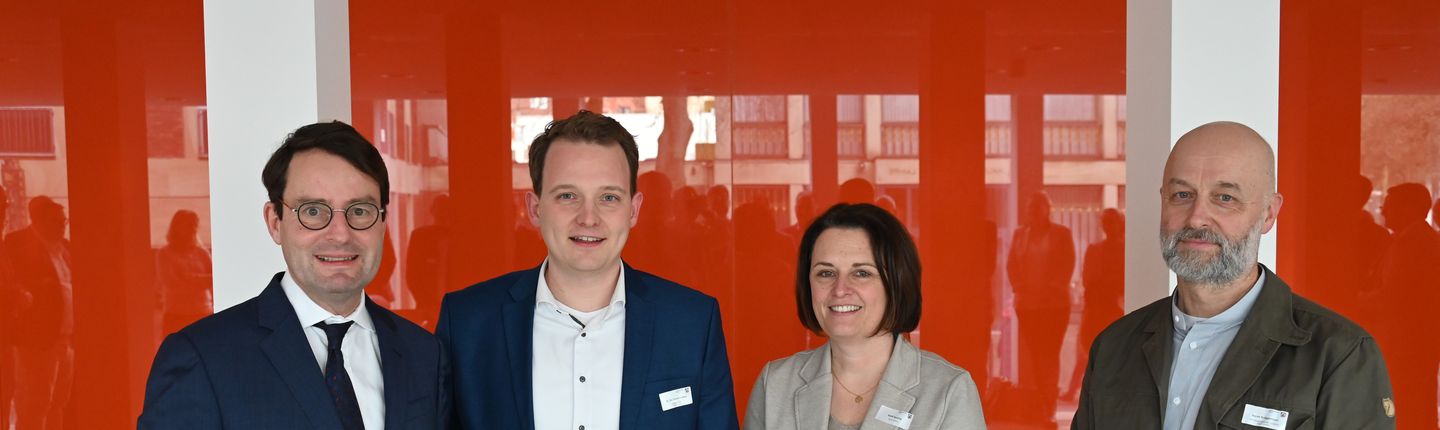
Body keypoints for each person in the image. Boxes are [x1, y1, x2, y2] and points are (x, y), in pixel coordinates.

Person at [1073, 121, 1394, 429]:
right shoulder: (1114, 347)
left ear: (1269, 213)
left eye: (1225, 198)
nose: (1197, 217)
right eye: (1182, 195)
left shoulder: (1338, 355)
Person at [437, 110, 738, 430]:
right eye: (568, 196)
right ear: (535, 209)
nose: (588, 218)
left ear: (633, 210)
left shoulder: (692, 323)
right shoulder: (468, 323)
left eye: (609, 197)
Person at [139, 121, 449, 429]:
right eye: (313, 211)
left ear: (382, 223)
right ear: (275, 222)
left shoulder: (423, 353)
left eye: (359, 210)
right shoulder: (202, 358)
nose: (340, 235)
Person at [743, 203, 985, 430]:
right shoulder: (774, 384)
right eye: (826, 273)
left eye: (861, 273)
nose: (840, 289)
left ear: (897, 283)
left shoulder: (949, 391)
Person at [1005, 191, 1074, 425]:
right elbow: (1012, 264)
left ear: (1047, 209)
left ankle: (1049, 403)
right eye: (1029, 208)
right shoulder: (1020, 235)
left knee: (1049, 353)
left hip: (1055, 304)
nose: (1031, 212)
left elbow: (1068, 262)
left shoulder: (1061, 234)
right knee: (1035, 355)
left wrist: (1053, 285)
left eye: (1036, 208)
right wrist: (1018, 286)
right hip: (1028, 305)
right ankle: (1043, 404)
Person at [1374, 183, 1440, 429]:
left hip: (1408, 340)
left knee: (1408, 401)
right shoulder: (1414, 239)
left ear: (1409, 208)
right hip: (1412, 339)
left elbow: (1396, 295)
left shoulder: (1414, 244)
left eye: (1389, 206)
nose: (1383, 212)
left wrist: (1358, 300)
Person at [7, 196, 74, 430]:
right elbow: (14, 284)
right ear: (38, 220)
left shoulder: (65, 247)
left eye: (63, 220)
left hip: (65, 339)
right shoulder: (17, 243)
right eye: (56, 221)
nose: (62, 225)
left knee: (58, 402)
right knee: (34, 405)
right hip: (38, 342)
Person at [156, 209, 214, 335]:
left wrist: (188, 277)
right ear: (176, 227)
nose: (193, 229)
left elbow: (214, 280)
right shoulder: (165, 254)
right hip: (176, 314)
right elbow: (171, 283)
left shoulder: (202, 253)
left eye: (195, 225)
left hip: (203, 312)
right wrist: (201, 281)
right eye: (189, 225)